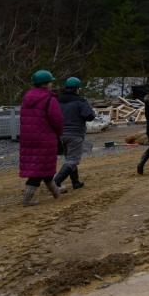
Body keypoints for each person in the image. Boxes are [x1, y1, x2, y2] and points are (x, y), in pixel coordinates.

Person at [19, 70, 66, 206]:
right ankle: (27, 199)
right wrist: (59, 132)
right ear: (46, 84)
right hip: (45, 137)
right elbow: (57, 120)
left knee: (43, 166)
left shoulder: (26, 98)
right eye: (51, 82)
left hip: (27, 138)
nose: (52, 84)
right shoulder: (49, 99)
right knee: (38, 168)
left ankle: (56, 191)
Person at [53, 77, 96, 190]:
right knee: (73, 160)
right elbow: (89, 116)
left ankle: (75, 182)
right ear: (77, 89)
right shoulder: (81, 101)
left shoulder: (57, 100)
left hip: (60, 134)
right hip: (75, 134)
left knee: (70, 158)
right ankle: (55, 183)